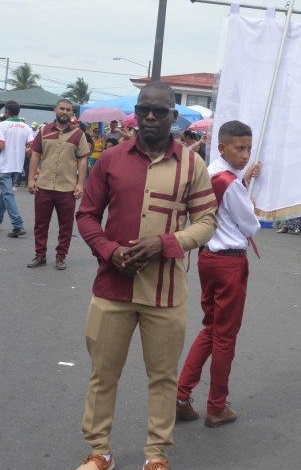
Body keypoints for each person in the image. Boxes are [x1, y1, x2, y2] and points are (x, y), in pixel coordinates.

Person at [74, 82, 218, 470]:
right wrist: (110, 251)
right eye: (144, 110)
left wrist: (167, 243)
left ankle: (156, 453)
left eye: (160, 111)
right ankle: (99, 450)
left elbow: (206, 222)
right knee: (103, 375)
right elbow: (87, 215)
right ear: (135, 114)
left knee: (163, 377)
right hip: (111, 287)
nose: (151, 117)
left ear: (174, 116)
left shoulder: (193, 165)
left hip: (166, 292)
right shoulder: (111, 159)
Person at [176, 120, 261, 428]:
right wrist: (249, 201)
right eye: (240, 148)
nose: (245, 155)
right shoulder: (231, 183)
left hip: (207, 257)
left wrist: (244, 185)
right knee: (224, 337)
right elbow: (251, 225)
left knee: (211, 329)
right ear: (223, 147)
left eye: (248, 149)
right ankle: (216, 405)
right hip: (229, 262)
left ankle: (182, 393)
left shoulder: (208, 173)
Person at [26, 99, 90, 270]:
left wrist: (80, 184)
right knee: (40, 223)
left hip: (67, 188)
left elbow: (82, 159)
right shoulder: (44, 131)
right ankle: (40, 255)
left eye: (68, 109)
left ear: (72, 113)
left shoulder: (79, 135)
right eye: (62, 108)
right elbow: (35, 155)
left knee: (66, 225)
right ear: (55, 109)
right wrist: (31, 179)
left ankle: (61, 256)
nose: (64, 112)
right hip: (44, 185)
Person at [0, 101, 33, 238]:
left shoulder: (3, 125)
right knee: (5, 194)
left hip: (5, 164)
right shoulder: (26, 126)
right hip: (17, 166)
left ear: (6, 111)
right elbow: (32, 146)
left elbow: (0, 146)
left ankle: (18, 224)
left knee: (7, 194)